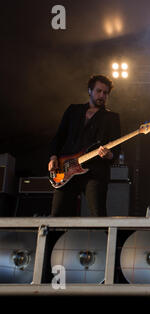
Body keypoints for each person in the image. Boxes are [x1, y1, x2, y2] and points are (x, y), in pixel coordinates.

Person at [48, 75, 121, 216]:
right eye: (98, 91)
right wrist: (53, 157)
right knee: (56, 217)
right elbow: (59, 136)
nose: (102, 95)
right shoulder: (73, 110)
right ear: (90, 91)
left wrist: (109, 154)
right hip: (66, 169)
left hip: (95, 172)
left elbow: (116, 148)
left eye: (105, 93)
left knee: (98, 215)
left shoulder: (111, 118)